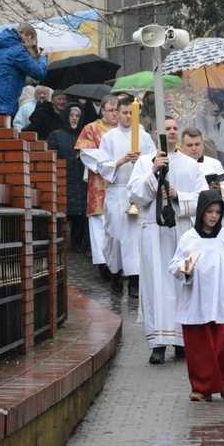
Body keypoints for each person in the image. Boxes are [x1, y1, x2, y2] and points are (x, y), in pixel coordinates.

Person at [127, 117, 208, 364]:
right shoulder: (143, 162)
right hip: (153, 232)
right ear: (156, 134)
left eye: (175, 129)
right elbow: (134, 196)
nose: (171, 132)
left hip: (182, 233)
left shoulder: (191, 165)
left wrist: (177, 196)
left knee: (182, 284)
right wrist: (153, 173)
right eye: (167, 129)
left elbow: (203, 199)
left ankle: (183, 341)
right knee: (156, 286)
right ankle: (158, 344)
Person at [168, 190, 224, 402]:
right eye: (209, 211)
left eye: (218, 212)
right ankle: (201, 387)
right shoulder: (189, 238)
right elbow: (175, 265)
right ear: (201, 212)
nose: (213, 216)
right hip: (196, 298)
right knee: (199, 345)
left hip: (220, 298)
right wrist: (186, 269)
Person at [98, 97, 156, 297]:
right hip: (118, 190)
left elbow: (154, 162)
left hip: (138, 192)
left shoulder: (144, 137)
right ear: (117, 114)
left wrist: (142, 162)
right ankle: (115, 273)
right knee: (115, 235)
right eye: (124, 113)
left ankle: (134, 280)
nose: (128, 116)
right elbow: (102, 165)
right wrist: (122, 160)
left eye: (132, 113)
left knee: (135, 237)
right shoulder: (110, 137)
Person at [75, 95, 120, 279]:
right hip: (100, 182)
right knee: (99, 223)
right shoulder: (91, 128)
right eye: (111, 110)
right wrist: (111, 163)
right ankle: (103, 262)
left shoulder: (127, 130)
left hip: (122, 182)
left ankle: (120, 262)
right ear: (102, 111)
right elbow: (86, 153)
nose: (115, 114)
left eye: (118, 110)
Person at [0, 24, 48, 119]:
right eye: (34, 42)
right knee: (2, 133)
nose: (33, 46)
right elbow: (39, 73)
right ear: (30, 38)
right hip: (1, 103)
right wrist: (42, 57)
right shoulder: (18, 51)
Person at [47, 105, 87, 253]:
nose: (74, 118)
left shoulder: (84, 136)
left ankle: (77, 244)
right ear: (66, 116)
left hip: (81, 180)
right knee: (63, 213)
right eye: (71, 115)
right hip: (63, 179)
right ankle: (60, 244)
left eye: (77, 115)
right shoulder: (56, 135)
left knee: (79, 215)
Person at [181, 127, 224, 208]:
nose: (194, 148)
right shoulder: (176, 165)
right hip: (186, 213)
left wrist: (219, 190)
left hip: (210, 210)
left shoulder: (215, 164)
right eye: (189, 145)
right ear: (182, 147)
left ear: (203, 145)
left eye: (197, 144)